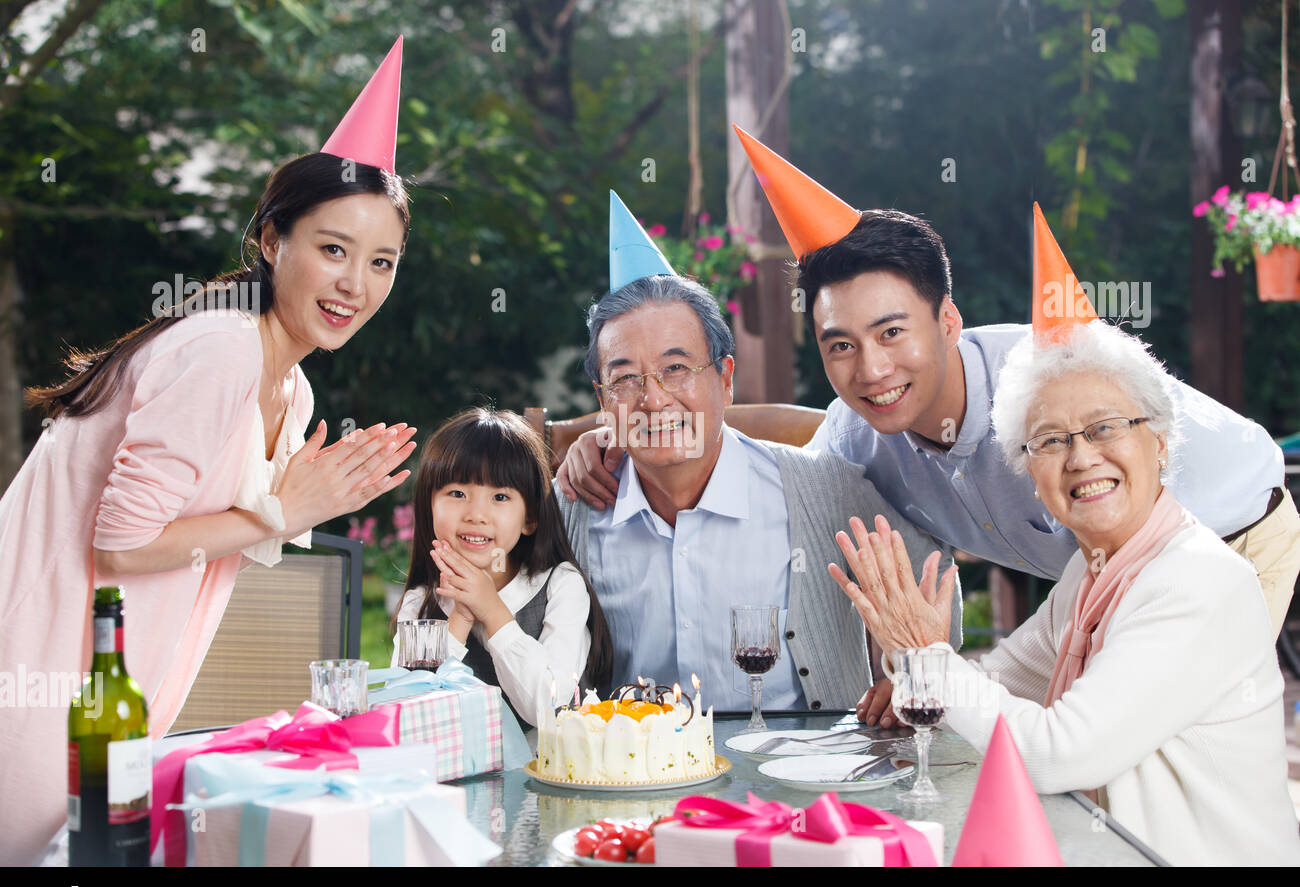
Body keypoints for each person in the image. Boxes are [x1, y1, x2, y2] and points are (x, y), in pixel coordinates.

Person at [559, 135, 1299, 721]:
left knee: (1154, 745)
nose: (870, 369)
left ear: (948, 320)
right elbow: (764, 455)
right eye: (839, 344)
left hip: (1227, 533)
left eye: (891, 333)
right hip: (1090, 575)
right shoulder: (854, 435)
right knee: (1062, 745)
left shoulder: (1049, 383)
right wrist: (610, 433)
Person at [0, 40, 417, 865]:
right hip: (39, 668)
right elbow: (120, 546)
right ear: (271, 241)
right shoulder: (221, 351)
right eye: (333, 249)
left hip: (122, 679)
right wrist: (282, 510)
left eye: (382, 263)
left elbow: (224, 536)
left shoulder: (290, 391)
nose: (355, 286)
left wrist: (287, 510)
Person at [831, 319, 1300, 867]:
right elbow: (1002, 682)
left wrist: (927, 657)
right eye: (1051, 440)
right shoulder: (1093, 569)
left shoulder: (1197, 579)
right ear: (1029, 473)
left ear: (1161, 444)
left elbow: (1058, 753)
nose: (1080, 458)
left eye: (1105, 428)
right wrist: (921, 672)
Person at [552, 192, 960, 713]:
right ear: (603, 400)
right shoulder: (568, 511)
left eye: (677, 369)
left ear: (725, 379)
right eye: (625, 378)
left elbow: (932, 581)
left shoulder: (826, 492)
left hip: (798, 775)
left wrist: (903, 670)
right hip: (628, 780)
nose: (653, 400)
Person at [393, 408, 613, 727]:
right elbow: (412, 715)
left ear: (530, 518)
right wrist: (461, 616)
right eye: (457, 493)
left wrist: (492, 611)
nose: (476, 514)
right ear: (429, 507)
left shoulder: (560, 587)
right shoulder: (421, 602)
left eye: (499, 496)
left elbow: (547, 708)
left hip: (549, 771)